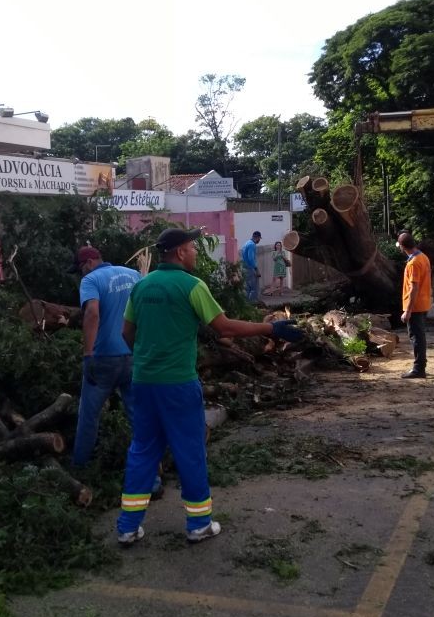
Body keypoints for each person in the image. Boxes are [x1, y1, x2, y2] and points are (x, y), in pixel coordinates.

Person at [116, 227, 304, 546]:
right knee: (189, 451)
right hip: (178, 384)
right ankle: (199, 524)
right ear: (179, 253)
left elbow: (126, 334)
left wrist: (152, 354)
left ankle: (127, 527)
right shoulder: (192, 286)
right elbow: (224, 327)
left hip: (144, 382)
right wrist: (271, 328)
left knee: (143, 450)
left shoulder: (142, 286)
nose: (195, 253)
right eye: (192, 248)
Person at [69, 245, 141, 468]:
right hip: (132, 356)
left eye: (80, 268)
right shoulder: (134, 275)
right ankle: (150, 473)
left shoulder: (91, 280)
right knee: (138, 417)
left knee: (89, 415)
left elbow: (92, 313)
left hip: (104, 358)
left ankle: (80, 470)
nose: (81, 273)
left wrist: (88, 354)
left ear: (89, 262)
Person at [397, 231, 432, 379]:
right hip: (423, 303)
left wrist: (408, 311)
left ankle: (419, 369)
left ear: (402, 247)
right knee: (420, 336)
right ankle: (421, 364)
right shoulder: (423, 257)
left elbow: (414, 287)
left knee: (416, 337)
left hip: (415, 306)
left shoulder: (413, 263)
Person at [240, 231, 262, 302]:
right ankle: (253, 305)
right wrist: (256, 269)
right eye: (259, 239)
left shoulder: (246, 243)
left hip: (244, 267)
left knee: (247, 288)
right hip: (250, 268)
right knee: (253, 288)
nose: (259, 240)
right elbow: (251, 258)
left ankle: (246, 305)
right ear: (257, 237)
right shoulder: (252, 245)